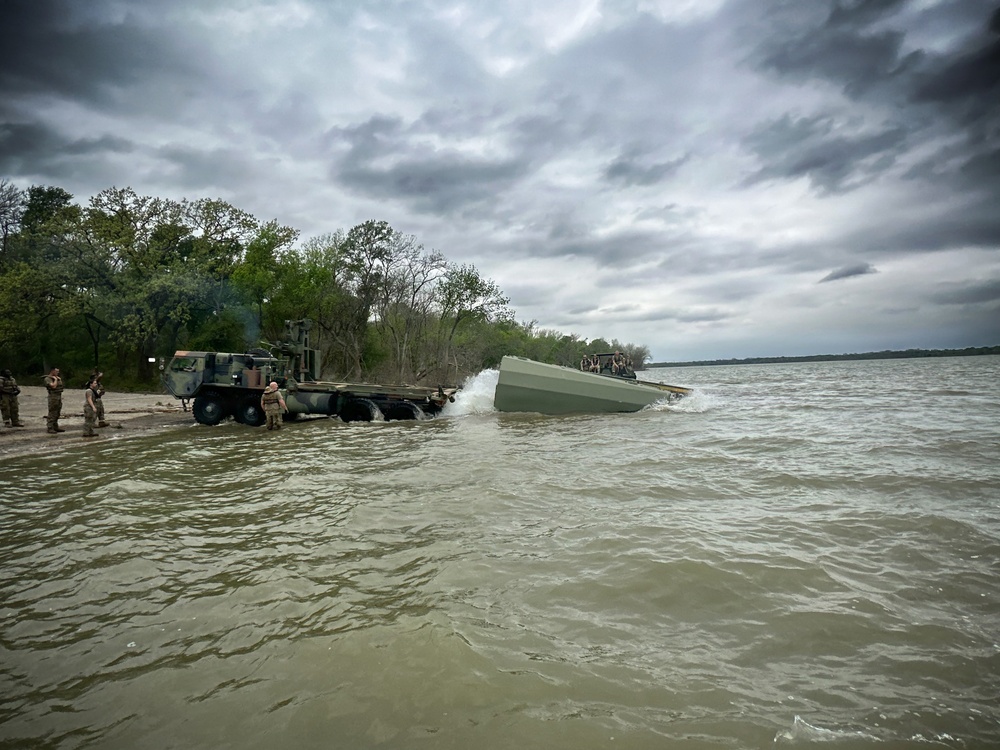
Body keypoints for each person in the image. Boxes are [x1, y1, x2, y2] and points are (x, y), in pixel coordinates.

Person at [45, 367, 65, 433]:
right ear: (52, 371)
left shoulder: (58, 378)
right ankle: (50, 427)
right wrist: (55, 379)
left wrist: (58, 379)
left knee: (57, 412)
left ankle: (55, 426)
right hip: (53, 397)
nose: (57, 373)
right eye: (56, 371)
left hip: (58, 396)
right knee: (52, 412)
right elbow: (53, 386)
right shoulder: (48, 379)